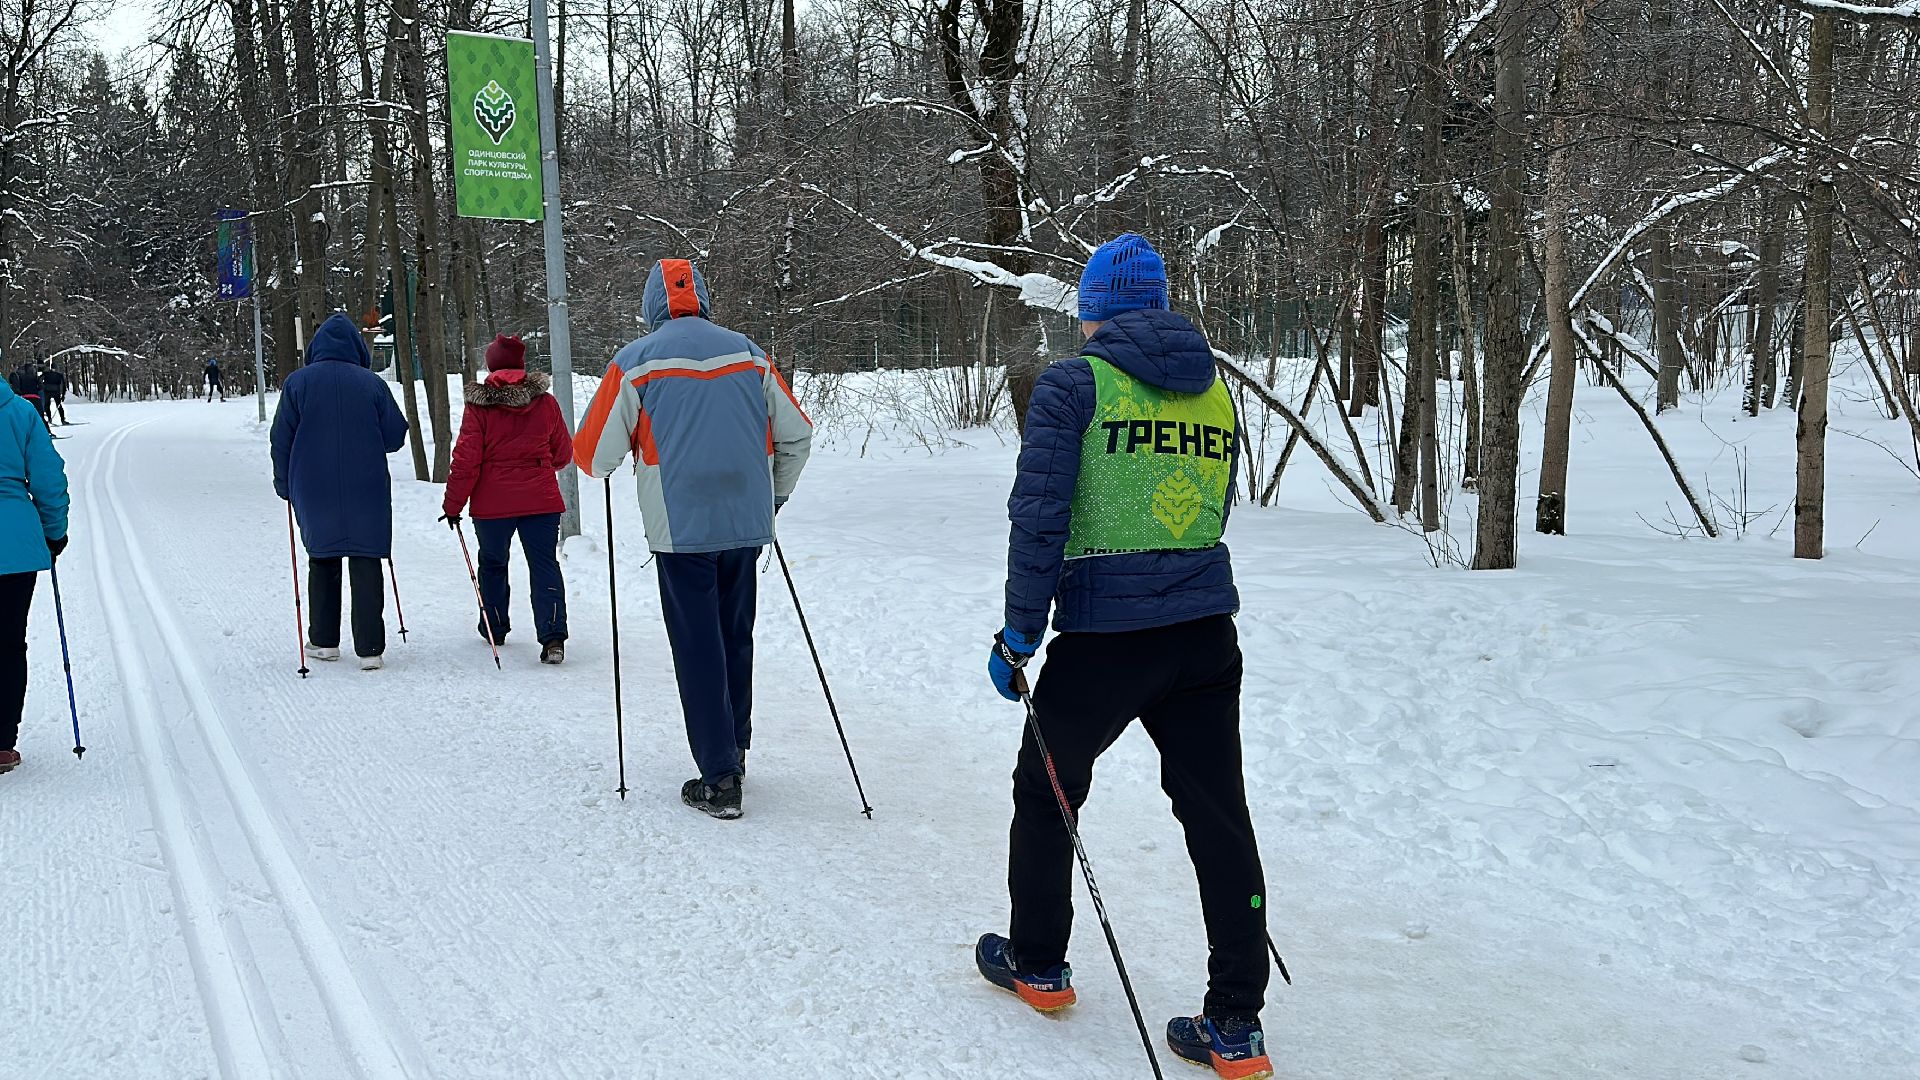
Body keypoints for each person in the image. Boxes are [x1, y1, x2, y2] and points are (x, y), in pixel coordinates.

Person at [974, 234, 1272, 1080]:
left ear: (1094, 309)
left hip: (1106, 637)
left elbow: (1039, 518)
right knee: (1218, 814)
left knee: (1049, 785)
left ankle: (1038, 961)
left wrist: (1019, 633)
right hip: (1207, 634)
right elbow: (1211, 505)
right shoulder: (1216, 391)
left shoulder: (1074, 385)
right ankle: (1237, 1022)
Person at [574, 258, 812, 819]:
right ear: (702, 297)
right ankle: (737, 749)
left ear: (652, 305)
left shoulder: (634, 363)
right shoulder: (748, 354)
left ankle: (720, 776)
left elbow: (592, 456)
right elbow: (797, 435)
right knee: (736, 636)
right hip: (745, 524)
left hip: (681, 531)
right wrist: (771, 499)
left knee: (697, 646)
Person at [271, 313, 409, 671]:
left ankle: (324, 640)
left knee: (323, 558)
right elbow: (395, 436)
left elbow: (281, 438)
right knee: (366, 559)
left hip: (313, 487)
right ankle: (370, 649)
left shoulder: (297, 383)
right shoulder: (372, 384)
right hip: (366, 486)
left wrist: (284, 484)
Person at [442, 334, 574, 665]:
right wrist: (540, 467)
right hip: (541, 500)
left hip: (492, 503)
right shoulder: (545, 403)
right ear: (521, 365)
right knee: (544, 565)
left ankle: (495, 627)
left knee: (492, 563)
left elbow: (466, 460)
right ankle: (553, 637)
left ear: (491, 366)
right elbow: (563, 452)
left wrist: (453, 504)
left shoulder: (479, 407)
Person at [0, 364, 70, 775]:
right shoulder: (20, 413)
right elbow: (48, 477)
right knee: (7, 641)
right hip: (13, 545)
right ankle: (2, 742)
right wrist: (54, 532)